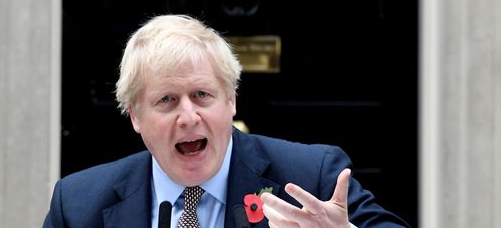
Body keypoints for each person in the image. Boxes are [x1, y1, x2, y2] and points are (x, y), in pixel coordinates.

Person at [43, 14, 409, 228]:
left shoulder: (312, 176)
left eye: (202, 95)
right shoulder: (77, 205)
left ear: (231, 100)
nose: (188, 117)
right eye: (167, 100)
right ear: (135, 115)